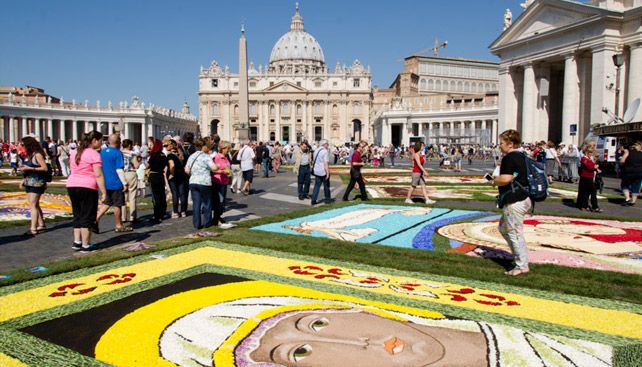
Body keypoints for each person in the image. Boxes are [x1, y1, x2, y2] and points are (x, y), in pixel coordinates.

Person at [491, 129, 531, 276]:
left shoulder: (510, 157)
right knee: (503, 227)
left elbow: (506, 179)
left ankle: (521, 265)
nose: (499, 146)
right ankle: (519, 257)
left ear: (510, 144)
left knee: (514, 232)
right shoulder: (522, 156)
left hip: (515, 199)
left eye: (501, 143)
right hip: (524, 198)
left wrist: (494, 181)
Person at [66, 131, 107, 252]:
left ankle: (77, 241)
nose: (101, 143)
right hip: (87, 186)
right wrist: (103, 192)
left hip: (72, 184)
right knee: (88, 215)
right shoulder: (94, 154)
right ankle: (86, 243)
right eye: (100, 140)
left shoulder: (74, 152)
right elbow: (98, 175)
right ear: (94, 140)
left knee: (77, 213)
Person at [95, 134, 132, 233]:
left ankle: (96, 219)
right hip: (115, 182)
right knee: (117, 204)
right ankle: (118, 225)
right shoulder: (117, 153)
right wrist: (124, 183)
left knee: (106, 203)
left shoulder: (102, 152)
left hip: (104, 181)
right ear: (118, 142)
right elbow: (119, 170)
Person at [185, 137, 218, 229]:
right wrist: (217, 166)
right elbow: (214, 168)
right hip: (204, 182)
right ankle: (207, 222)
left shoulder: (192, 156)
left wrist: (194, 173)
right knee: (207, 203)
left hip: (193, 181)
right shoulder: (206, 156)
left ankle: (196, 224)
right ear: (203, 146)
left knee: (196, 204)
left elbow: (186, 170)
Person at [18, 136, 49, 237]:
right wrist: (24, 179)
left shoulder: (38, 154)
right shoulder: (30, 155)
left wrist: (30, 168)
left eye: (23, 145)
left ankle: (33, 228)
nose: (22, 147)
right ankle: (41, 224)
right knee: (34, 204)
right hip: (30, 181)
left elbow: (44, 168)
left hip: (37, 182)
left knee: (33, 205)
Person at [164, 139, 188, 218]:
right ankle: (183, 211)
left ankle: (175, 211)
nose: (165, 147)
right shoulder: (181, 154)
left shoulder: (170, 155)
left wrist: (171, 174)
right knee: (182, 193)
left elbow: (172, 165)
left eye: (166, 145)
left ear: (171, 146)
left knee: (175, 194)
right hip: (182, 175)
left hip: (174, 177)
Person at [147, 138, 169, 223]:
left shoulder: (154, 155)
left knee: (155, 197)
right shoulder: (163, 155)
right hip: (160, 175)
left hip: (154, 175)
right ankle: (162, 212)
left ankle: (157, 215)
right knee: (162, 195)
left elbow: (148, 166)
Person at [212, 141, 232, 226]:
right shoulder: (216, 157)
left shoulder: (226, 157)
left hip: (225, 180)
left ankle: (218, 217)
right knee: (219, 200)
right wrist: (223, 172)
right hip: (218, 180)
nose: (228, 150)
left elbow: (228, 167)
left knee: (223, 200)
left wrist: (230, 177)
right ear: (222, 148)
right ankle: (216, 218)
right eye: (227, 148)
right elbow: (214, 169)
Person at [576, 146, 602, 213]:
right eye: (590, 152)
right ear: (587, 152)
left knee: (586, 193)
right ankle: (594, 206)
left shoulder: (588, 159)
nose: (591, 154)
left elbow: (593, 166)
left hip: (589, 177)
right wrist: (595, 167)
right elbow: (590, 168)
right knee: (593, 192)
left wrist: (596, 168)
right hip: (586, 177)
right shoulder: (584, 159)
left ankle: (584, 206)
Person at [120, 139, 139, 223]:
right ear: (129, 146)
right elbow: (136, 166)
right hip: (131, 173)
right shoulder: (132, 154)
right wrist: (139, 162)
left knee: (123, 197)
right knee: (132, 196)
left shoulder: (119, 154)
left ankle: (123, 217)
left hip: (122, 174)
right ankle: (132, 216)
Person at [619, 141, 642, 206]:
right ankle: (633, 201)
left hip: (629, 172)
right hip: (639, 172)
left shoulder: (628, 152)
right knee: (636, 186)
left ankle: (627, 198)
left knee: (624, 184)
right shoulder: (641, 153)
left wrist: (622, 163)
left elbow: (622, 161)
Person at [310, 139, 332, 205]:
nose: (328, 146)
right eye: (327, 144)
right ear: (324, 144)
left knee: (317, 186)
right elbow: (325, 163)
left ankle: (313, 200)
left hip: (317, 170)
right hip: (323, 171)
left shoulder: (316, 150)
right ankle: (327, 199)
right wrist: (327, 172)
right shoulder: (325, 151)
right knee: (326, 186)